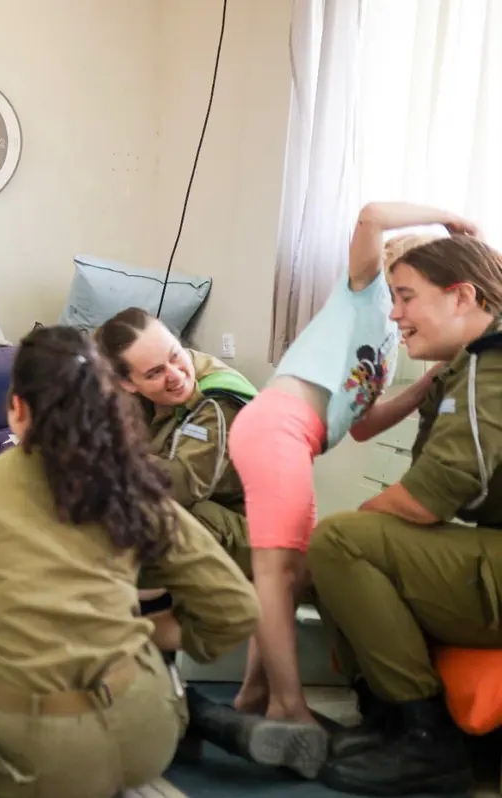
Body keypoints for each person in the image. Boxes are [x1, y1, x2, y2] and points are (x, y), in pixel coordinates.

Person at [0, 326, 261, 798]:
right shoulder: (134, 485)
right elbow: (236, 608)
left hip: (38, 756)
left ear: (17, 409)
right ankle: (188, 712)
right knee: (143, 677)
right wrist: (157, 632)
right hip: (146, 734)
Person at [215, 203, 471, 779]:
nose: (403, 309)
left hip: (296, 437)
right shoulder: (366, 293)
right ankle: (287, 704)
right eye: (402, 293)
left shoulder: (387, 345)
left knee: (289, 573)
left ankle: (255, 693)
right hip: (278, 425)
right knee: (276, 572)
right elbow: (372, 215)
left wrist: (429, 382)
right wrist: (451, 218)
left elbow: (360, 425)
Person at [308, 234, 502, 796]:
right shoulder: (462, 368)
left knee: (341, 541)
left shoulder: (492, 363)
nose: (395, 314)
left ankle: (427, 740)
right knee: (342, 543)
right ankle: (389, 721)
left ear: (461, 297)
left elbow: (428, 496)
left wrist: (354, 532)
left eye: (406, 296)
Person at [97, 307, 258, 577]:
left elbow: (182, 485)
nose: (176, 375)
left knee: (155, 514)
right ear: (127, 384)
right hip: (215, 512)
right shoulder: (134, 395)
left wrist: (108, 459)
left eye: (175, 355)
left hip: (258, 534)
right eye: (154, 373)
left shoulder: (217, 402)